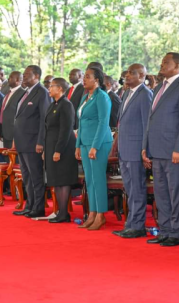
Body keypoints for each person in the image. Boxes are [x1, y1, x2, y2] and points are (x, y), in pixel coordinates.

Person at [142, 52, 179, 246]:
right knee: (161, 193)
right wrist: (145, 147)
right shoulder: (158, 89)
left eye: (166, 62)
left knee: (176, 193)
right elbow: (151, 120)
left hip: (174, 151)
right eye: (162, 61)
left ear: (178, 66)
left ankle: (176, 232)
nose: (162, 64)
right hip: (156, 150)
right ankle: (164, 230)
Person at [112, 64, 152, 238]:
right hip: (124, 148)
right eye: (127, 72)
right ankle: (130, 223)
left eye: (131, 73)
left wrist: (144, 149)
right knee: (129, 189)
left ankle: (137, 226)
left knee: (137, 189)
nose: (126, 76)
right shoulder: (127, 92)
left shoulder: (145, 95)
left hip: (136, 150)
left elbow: (146, 126)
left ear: (142, 75)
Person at [75, 67, 113, 230]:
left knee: (98, 179)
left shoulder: (102, 97)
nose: (84, 79)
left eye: (88, 77)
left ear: (97, 80)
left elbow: (103, 123)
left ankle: (100, 215)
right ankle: (92, 212)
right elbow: (81, 123)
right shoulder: (85, 97)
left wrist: (95, 147)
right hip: (84, 142)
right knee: (89, 180)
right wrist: (78, 145)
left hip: (98, 144)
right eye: (84, 76)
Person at [12, 65, 50, 218]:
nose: (24, 76)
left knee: (36, 177)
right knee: (26, 177)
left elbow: (43, 120)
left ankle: (39, 207)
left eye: (27, 74)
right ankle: (29, 205)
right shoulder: (26, 93)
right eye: (24, 73)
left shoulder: (41, 92)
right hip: (22, 142)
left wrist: (41, 142)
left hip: (33, 142)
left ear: (37, 76)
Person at [45, 78, 78, 223]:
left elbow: (65, 130)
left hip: (63, 147)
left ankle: (64, 213)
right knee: (56, 180)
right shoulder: (54, 104)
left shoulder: (66, 105)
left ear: (60, 89)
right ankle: (60, 212)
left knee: (63, 180)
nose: (49, 89)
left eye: (52, 86)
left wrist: (58, 150)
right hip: (52, 145)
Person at [0, 71, 25, 149]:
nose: (8, 79)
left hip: (14, 132)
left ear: (17, 80)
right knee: (6, 157)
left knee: (13, 158)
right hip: (5, 131)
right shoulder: (8, 93)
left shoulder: (22, 93)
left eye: (11, 77)